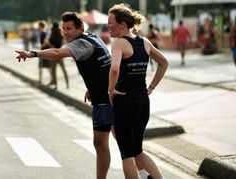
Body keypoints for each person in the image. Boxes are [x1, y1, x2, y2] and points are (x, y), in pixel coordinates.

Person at [16, 11, 113, 179]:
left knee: (101, 143)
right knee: (121, 144)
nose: (66, 32)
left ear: (80, 28)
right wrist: (93, 86)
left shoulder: (81, 43)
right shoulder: (92, 37)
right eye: (63, 28)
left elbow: (57, 53)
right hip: (107, 95)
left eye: (69, 28)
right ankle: (142, 172)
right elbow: (105, 65)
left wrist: (33, 53)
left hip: (105, 100)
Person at [107, 3, 168, 179]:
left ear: (122, 25)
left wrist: (111, 90)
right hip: (142, 102)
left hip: (125, 102)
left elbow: (115, 69)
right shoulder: (145, 42)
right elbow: (164, 63)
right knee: (137, 150)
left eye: (110, 22)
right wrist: (151, 87)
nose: (108, 26)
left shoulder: (119, 43)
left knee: (127, 153)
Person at [47, 22, 69, 89]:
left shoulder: (51, 36)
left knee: (54, 71)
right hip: (60, 54)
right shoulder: (61, 35)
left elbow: (50, 45)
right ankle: (67, 84)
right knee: (64, 69)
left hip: (53, 55)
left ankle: (56, 85)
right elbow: (63, 42)